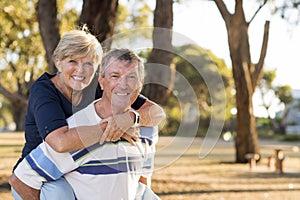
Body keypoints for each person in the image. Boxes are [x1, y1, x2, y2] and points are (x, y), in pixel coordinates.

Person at [9, 27, 165, 199]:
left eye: (89, 63)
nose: (80, 70)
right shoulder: (44, 91)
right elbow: (60, 142)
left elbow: (156, 112)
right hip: (40, 177)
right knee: (61, 194)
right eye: (72, 62)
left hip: (75, 169)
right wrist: (114, 128)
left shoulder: (100, 84)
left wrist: (130, 118)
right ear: (58, 61)